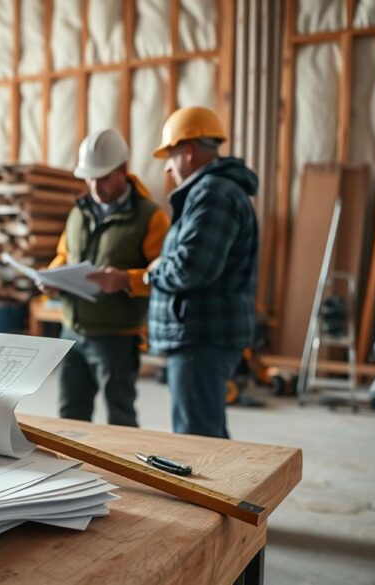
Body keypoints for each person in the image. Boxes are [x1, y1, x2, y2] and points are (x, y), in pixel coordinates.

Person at [144, 106, 259, 438]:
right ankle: (230, 492)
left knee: (199, 440)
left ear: (189, 152)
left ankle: (220, 493)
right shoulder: (214, 192)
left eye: (170, 155)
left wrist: (155, 272)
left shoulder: (212, 194)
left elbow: (193, 267)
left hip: (201, 336)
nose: (167, 166)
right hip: (203, 334)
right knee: (208, 434)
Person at [43, 128, 170, 427]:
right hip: (72, 332)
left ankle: (123, 474)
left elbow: (163, 274)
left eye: (103, 177)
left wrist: (127, 279)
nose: (95, 186)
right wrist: (52, 276)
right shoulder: (80, 212)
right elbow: (65, 254)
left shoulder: (151, 218)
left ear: (123, 170)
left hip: (117, 337)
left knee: (120, 418)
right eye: (89, 178)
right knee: (70, 416)